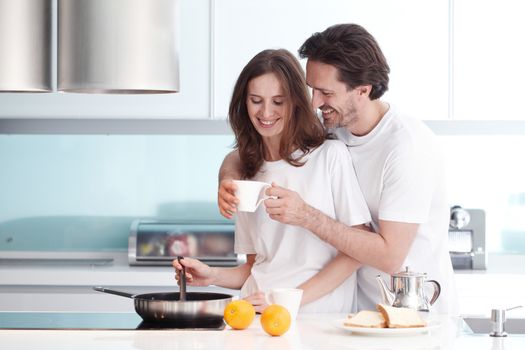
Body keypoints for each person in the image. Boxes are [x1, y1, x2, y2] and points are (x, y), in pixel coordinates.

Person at [218, 24, 459, 315]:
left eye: (325, 92)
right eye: (312, 89)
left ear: (363, 90)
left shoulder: (407, 148)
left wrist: (306, 215)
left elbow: (389, 255)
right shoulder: (336, 128)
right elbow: (250, 154)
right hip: (363, 313)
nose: (315, 102)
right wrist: (228, 179)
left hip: (417, 314)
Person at [173, 48, 371, 313]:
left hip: (316, 320)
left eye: (278, 101)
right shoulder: (246, 173)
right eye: (256, 100)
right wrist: (213, 276)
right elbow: (258, 266)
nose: (266, 112)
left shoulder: (329, 157)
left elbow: (357, 252)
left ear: (297, 103)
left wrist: (287, 300)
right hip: (254, 316)